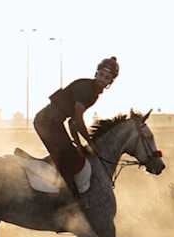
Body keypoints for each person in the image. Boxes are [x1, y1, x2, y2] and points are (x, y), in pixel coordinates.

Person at [34, 56, 120, 195]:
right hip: (46, 122)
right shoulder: (86, 88)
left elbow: (73, 122)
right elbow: (79, 120)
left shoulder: (94, 95)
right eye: (101, 74)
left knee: (73, 154)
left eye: (107, 77)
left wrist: (80, 146)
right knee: (67, 158)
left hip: (54, 123)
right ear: (96, 73)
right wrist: (90, 142)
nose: (102, 79)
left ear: (110, 82)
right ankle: (69, 197)